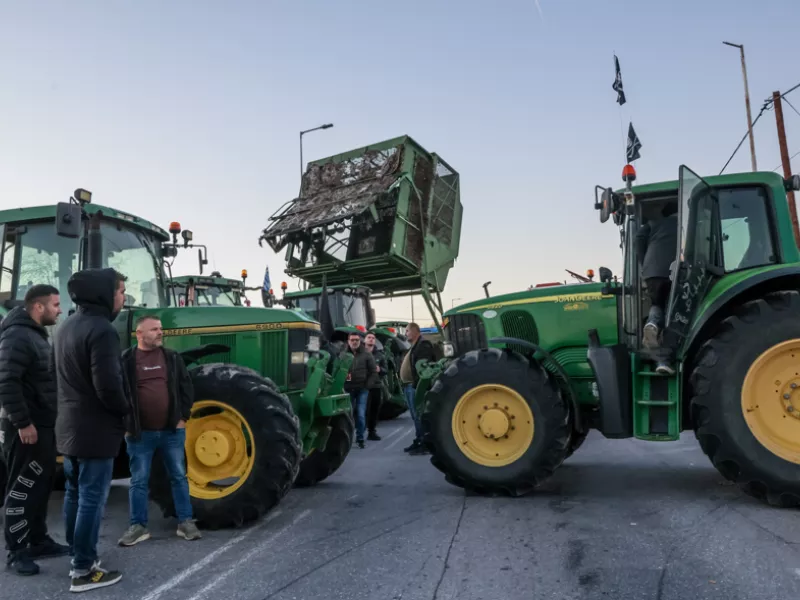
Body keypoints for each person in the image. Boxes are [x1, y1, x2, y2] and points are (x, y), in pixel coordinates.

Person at [53, 268, 129, 592]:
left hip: (69, 428)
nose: (124, 297)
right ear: (104, 293)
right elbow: (108, 386)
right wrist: (126, 412)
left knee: (75, 494)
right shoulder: (103, 331)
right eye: (120, 291)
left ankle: (77, 554)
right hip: (95, 430)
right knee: (91, 499)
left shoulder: (66, 326)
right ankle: (83, 570)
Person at [0, 284, 67, 576]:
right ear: (38, 307)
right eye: (56, 304)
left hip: (42, 424)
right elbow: (6, 381)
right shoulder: (16, 335)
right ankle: (16, 551)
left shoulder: (35, 334)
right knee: (22, 487)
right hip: (26, 428)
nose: (60, 310)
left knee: (41, 485)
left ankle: (38, 541)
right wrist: (23, 423)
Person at [118, 315, 200, 546]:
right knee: (138, 481)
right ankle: (138, 526)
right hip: (139, 434)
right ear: (139, 334)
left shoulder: (171, 357)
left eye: (160, 329)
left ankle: (185, 522)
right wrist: (126, 424)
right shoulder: (126, 360)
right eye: (154, 329)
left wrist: (183, 417)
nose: (160, 332)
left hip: (171, 432)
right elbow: (118, 393)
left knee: (178, 477)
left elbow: (186, 387)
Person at [635, 204, 678, 375]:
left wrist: (644, 262)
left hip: (652, 272)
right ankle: (664, 360)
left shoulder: (654, 224)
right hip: (673, 272)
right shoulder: (684, 224)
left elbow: (639, 238)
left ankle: (652, 323)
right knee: (671, 314)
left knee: (657, 303)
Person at [400, 323, 437, 455]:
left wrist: (417, 385)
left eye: (407, 331)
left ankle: (424, 443)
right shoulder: (415, 346)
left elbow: (423, 369)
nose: (405, 334)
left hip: (415, 386)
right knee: (415, 416)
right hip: (410, 386)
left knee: (419, 416)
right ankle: (419, 439)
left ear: (415, 331)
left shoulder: (423, 345)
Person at [342, 332, 376, 449]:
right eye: (352, 340)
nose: (354, 342)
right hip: (347, 389)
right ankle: (349, 438)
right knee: (348, 414)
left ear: (360, 341)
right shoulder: (343, 354)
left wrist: (367, 386)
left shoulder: (366, 354)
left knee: (361, 414)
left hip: (362, 389)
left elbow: (373, 372)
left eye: (356, 340)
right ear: (348, 341)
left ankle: (360, 438)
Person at [364, 332, 387, 441]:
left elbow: (385, 370)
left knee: (374, 409)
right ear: (364, 340)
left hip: (376, 386)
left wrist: (380, 369)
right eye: (369, 337)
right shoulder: (359, 353)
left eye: (373, 338)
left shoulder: (380, 355)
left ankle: (371, 431)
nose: (371, 339)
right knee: (360, 409)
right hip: (362, 386)